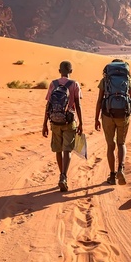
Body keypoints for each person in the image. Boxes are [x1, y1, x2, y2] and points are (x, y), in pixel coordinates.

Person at [42, 60, 83, 192]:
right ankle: (64, 176)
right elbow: (77, 104)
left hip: (54, 121)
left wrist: (44, 124)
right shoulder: (74, 84)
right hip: (69, 121)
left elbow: (48, 105)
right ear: (71, 71)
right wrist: (81, 122)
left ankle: (61, 175)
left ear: (59, 71)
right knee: (67, 150)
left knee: (58, 150)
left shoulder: (53, 84)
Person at [95, 59, 131, 185]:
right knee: (121, 143)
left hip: (107, 115)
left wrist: (96, 118)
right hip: (123, 115)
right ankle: (121, 169)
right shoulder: (128, 80)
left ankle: (112, 176)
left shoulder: (105, 81)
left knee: (110, 146)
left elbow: (99, 100)